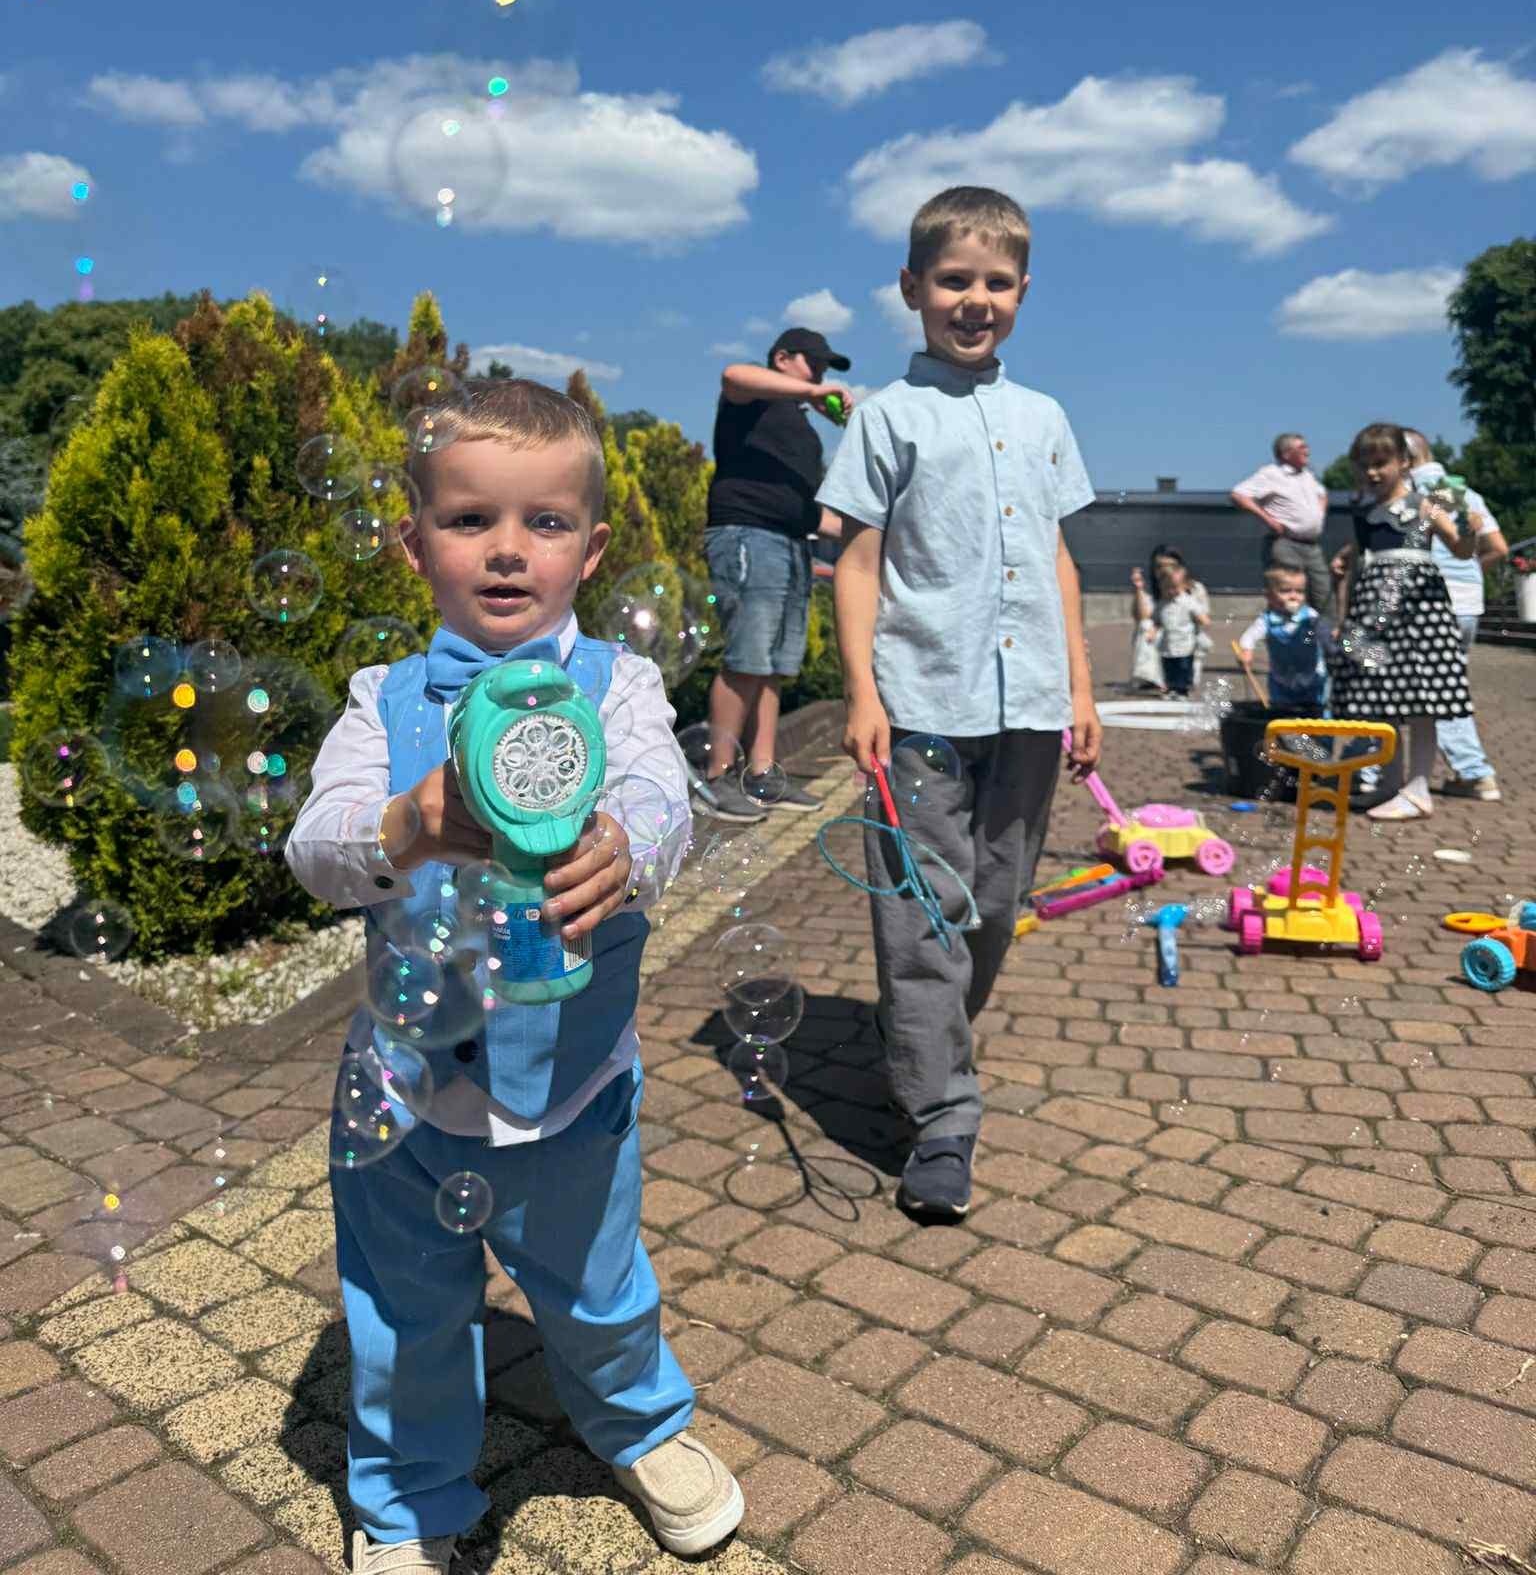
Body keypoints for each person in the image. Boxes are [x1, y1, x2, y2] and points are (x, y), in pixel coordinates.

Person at [286, 380, 741, 1575]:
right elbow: (316, 844)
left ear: (590, 551)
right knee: (401, 1317)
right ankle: (408, 1495)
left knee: (598, 1288)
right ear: (413, 543)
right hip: (406, 1096)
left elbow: (660, 791)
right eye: (469, 517)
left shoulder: (619, 687)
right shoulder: (383, 701)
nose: (505, 548)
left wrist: (628, 843)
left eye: (543, 522)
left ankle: (644, 1426)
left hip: (575, 1088)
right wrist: (407, 822)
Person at [819, 185, 1102, 1223]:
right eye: (952, 279)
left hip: (1029, 705)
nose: (973, 299)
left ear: (1023, 291)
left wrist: (1080, 682)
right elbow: (857, 558)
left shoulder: (1044, 418)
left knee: (993, 903)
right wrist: (862, 691)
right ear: (912, 287)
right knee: (922, 912)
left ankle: (934, 1039)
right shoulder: (886, 416)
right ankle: (941, 1116)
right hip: (922, 702)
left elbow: (1058, 558)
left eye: (995, 281)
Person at [699, 327, 850, 821]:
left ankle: (762, 774)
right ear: (783, 358)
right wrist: (811, 391)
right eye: (815, 364)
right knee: (746, 657)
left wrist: (876, 532)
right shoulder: (752, 397)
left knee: (775, 665)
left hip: (791, 544)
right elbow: (730, 374)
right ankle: (716, 776)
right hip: (748, 536)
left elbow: (810, 513)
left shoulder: (800, 428)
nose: (821, 376)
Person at [1330, 420, 1477, 822]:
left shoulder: (1425, 505)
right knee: (1382, 698)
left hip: (1418, 610)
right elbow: (1360, 564)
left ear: (1404, 462)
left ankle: (1417, 789)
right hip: (1375, 610)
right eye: (1365, 465)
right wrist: (1345, 615)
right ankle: (1390, 784)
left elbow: (1461, 550)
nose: (1373, 472)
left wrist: (1470, 529)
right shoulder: (1366, 513)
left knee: (1421, 699)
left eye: (1381, 463)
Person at [1404, 429, 1506, 803]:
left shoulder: (1410, 492)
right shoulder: (1466, 493)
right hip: (1467, 603)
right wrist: (1471, 570)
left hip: (1430, 601)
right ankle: (1471, 773)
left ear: (1404, 459)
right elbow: (1498, 547)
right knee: (1449, 687)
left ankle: (1474, 772)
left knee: (1433, 691)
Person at [1230, 433, 1331, 612]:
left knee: (1323, 595)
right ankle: (1286, 637)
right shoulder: (1271, 474)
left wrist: (1319, 515)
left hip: (1312, 545)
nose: (1307, 451)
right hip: (1286, 543)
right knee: (1288, 597)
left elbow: (1322, 494)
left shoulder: (1307, 475)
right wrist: (1268, 520)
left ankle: (1323, 638)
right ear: (1286, 454)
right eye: (1301, 448)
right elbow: (1239, 494)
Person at [1237, 565, 1329, 714]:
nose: (1293, 596)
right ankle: (1285, 735)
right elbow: (1249, 636)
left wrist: (1330, 640)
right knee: (1282, 713)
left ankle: (1322, 736)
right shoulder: (1267, 620)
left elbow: (1325, 636)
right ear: (1269, 596)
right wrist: (1247, 650)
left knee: (1317, 713)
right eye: (1285, 591)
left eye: (1299, 591)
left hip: (1312, 678)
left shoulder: (1310, 616)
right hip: (1281, 679)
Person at [1130, 546, 1210, 698]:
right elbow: (1143, 617)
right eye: (1159, 567)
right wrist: (1139, 589)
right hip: (1166, 642)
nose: (1164, 571)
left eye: (1171, 566)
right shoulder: (1157, 596)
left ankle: (1182, 686)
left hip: (1186, 641)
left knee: (1183, 666)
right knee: (1147, 628)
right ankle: (1157, 679)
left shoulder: (1194, 591)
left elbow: (1203, 617)